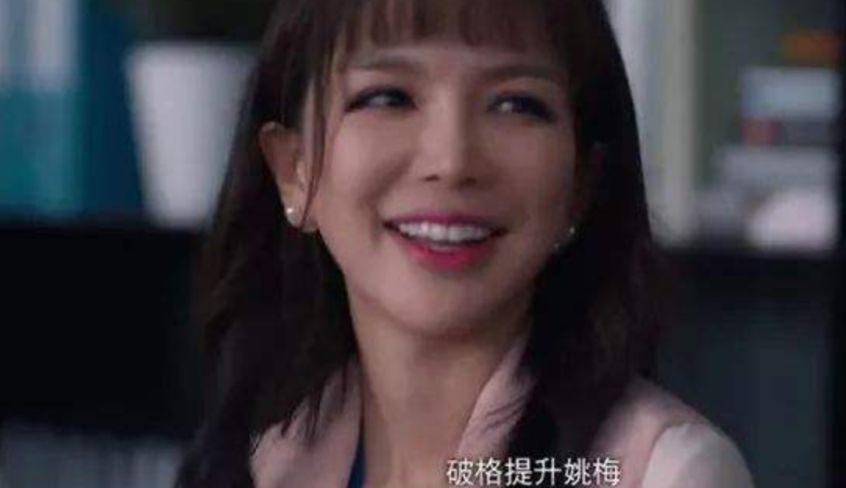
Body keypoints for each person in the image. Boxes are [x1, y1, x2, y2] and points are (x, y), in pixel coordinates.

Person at [176, 0, 754, 487]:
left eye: (516, 104)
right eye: (388, 97)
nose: (452, 161)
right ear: (293, 170)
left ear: (581, 185)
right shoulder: (249, 466)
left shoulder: (667, 473)